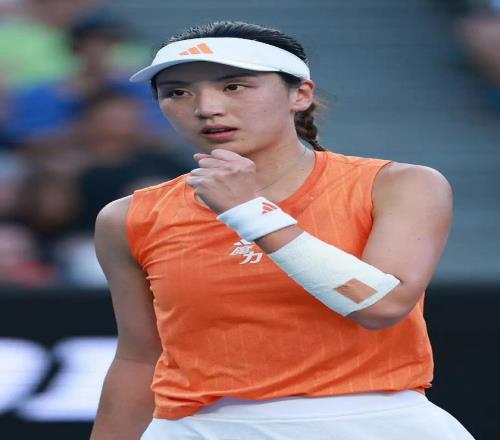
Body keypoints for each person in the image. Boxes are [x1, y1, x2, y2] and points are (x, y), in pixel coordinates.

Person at [90, 21, 475, 440]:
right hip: (196, 428)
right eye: (177, 92)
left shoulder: (400, 184)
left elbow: (381, 306)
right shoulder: (126, 218)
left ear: (301, 95)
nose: (206, 107)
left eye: (234, 86)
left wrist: (248, 211)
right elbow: (138, 360)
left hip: (376, 424)